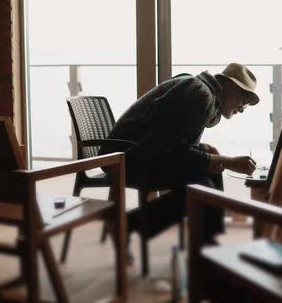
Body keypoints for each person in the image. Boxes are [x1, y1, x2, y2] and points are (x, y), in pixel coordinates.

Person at [102, 62, 258, 244]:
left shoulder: (197, 87)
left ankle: (208, 240)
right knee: (202, 187)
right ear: (230, 86)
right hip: (126, 161)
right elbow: (176, 152)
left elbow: (171, 141)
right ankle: (127, 225)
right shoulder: (201, 95)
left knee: (210, 174)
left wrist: (205, 151)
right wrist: (229, 161)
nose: (241, 109)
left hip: (136, 154)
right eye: (243, 101)